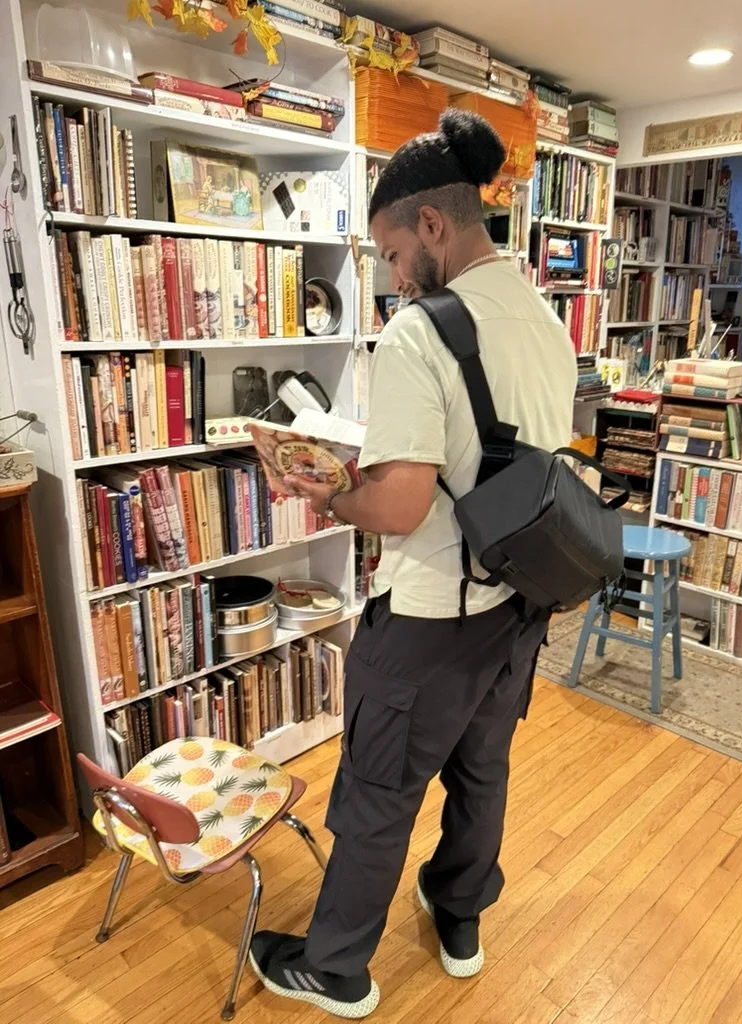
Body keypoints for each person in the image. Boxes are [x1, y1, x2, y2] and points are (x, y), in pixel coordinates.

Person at [249, 108, 577, 1018]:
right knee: (482, 767)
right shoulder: (545, 317)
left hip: (433, 611)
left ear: (432, 225)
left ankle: (337, 966)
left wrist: (326, 493)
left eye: (393, 254)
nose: (392, 278)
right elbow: (505, 453)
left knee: (378, 786)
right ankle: (460, 911)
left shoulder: (418, 332)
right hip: (520, 604)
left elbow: (399, 506)